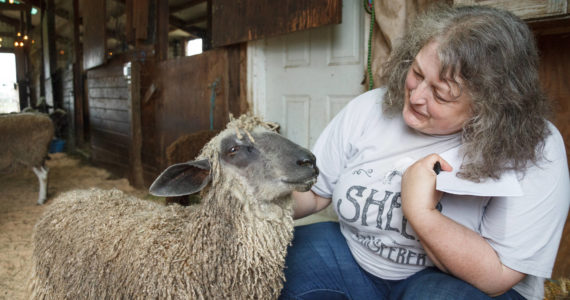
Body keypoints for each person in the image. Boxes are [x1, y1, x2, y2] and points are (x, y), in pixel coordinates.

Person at [279, 4, 570, 300]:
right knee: (278, 262)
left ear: (489, 108)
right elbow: (315, 193)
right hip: (356, 256)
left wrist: (421, 212)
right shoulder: (369, 108)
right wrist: (251, 202)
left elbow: (497, 277)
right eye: (417, 73)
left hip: (458, 282)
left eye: (440, 94)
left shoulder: (535, 146)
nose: (416, 96)